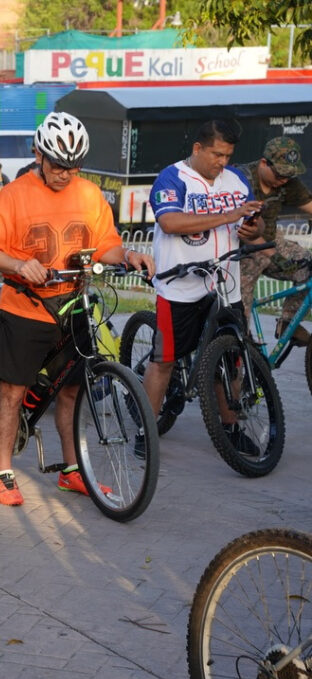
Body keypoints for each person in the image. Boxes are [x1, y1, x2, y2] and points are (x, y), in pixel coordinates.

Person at [0, 111, 153, 507]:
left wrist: (128, 255)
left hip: (74, 306)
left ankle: (72, 471)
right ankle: (3, 471)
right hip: (25, 307)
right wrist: (20, 265)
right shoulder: (14, 195)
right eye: (57, 164)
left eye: (73, 166)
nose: (65, 173)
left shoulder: (89, 194)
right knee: (12, 391)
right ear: (39, 154)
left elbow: (106, 243)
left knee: (72, 393)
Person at [143, 119, 263, 456]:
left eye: (227, 155)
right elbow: (170, 221)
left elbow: (251, 220)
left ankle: (231, 427)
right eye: (216, 154)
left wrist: (253, 227)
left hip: (226, 286)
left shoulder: (236, 179)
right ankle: (147, 430)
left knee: (230, 359)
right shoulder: (173, 178)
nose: (222, 161)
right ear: (198, 148)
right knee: (164, 360)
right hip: (180, 288)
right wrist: (228, 216)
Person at [236, 137, 312, 343]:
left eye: (289, 174)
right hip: (238, 248)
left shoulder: (288, 183)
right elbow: (246, 233)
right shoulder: (241, 179)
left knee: (307, 264)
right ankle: (237, 341)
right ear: (263, 163)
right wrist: (275, 257)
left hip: (270, 240)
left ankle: (288, 322)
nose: (284, 179)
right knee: (240, 294)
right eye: (279, 173)